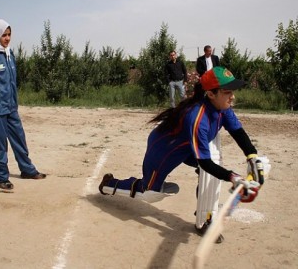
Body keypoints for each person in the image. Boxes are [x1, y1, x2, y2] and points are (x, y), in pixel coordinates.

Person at [99, 67, 263, 229]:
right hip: (165, 150)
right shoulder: (197, 119)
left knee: (211, 170)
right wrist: (233, 177)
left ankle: (205, 218)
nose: (232, 97)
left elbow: (238, 132)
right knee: (149, 194)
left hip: (188, 148)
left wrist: (252, 157)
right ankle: (109, 183)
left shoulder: (223, 108)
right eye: (227, 92)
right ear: (211, 94)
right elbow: (204, 162)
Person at [0, 19, 46, 190]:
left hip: (11, 106)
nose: (7, 38)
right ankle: (1, 176)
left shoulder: (8, 53)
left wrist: (14, 102)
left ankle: (27, 170)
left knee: (19, 138)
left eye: (9, 34)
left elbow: (10, 82)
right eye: (4, 35)